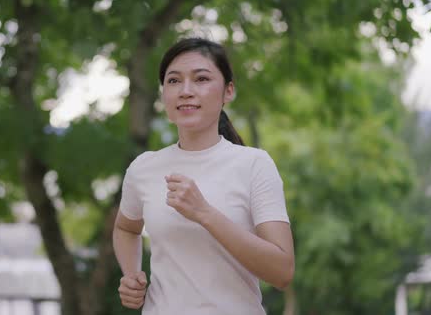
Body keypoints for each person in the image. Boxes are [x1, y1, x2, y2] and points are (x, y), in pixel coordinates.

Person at [112, 37, 294, 315]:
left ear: (228, 91)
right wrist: (131, 274)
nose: (185, 91)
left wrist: (204, 213)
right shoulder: (144, 168)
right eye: (173, 81)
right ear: (163, 94)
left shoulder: (254, 164)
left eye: (201, 79)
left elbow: (282, 272)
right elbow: (126, 228)